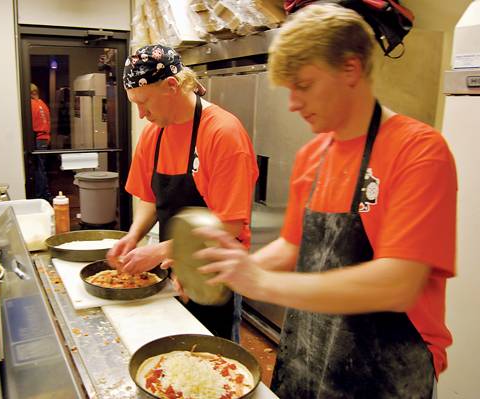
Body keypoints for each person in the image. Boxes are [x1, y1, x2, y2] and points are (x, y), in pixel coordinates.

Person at [195, 4, 456, 398]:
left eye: (304, 85)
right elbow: (293, 245)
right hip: (308, 354)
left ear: (350, 69)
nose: (293, 104)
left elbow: (399, 284)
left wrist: (263, 282)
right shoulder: (312, 156)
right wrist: (236, 268)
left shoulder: (418, 150)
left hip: (386, 370)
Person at [106, 45, 258, 341]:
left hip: (216, 269)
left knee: (214, 352)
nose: (140, 115)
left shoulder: (223, 134)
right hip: (172, 265)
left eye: (144, 103)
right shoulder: (154, 132)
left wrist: (160, 250)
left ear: (172, 86)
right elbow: (150, 197)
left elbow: (230, 224)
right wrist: (134, 236)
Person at [30, 83, 52, 201]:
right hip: (45, 138)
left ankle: (41, 195)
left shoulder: (31, 105)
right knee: (42, 168)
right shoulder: (42, 104)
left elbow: (31, 124)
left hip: (38, 138)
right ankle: (45, 193)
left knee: (39, 169)